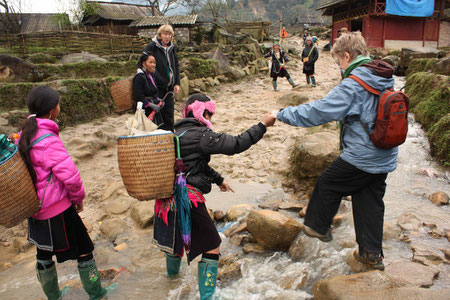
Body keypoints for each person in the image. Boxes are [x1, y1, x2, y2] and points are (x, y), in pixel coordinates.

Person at [272, 31, 398, 271]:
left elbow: (318, 112)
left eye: (339, 61)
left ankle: (317, 225)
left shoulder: (355, 83)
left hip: (363, 155)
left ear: (347, 56)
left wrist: (281, 114)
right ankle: (371, 255)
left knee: (328, 183)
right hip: (386, 155)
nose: (339, 66)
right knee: (369, 201)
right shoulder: (383, 77)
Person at [153, 93, 275, 299]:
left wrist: (218, 180)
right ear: (203, 112)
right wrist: (262, 125)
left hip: (165, 201)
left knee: (174, 246)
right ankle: (208, 296)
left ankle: (171, 283)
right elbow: (236, 144)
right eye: (210, 114)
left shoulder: (175, 132)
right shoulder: (201, 135)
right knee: (212, 245)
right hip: (188, 200)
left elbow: (193, 164)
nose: (211, 119)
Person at [17, 86, 116, 299]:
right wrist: (77, 199)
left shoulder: (24, 135)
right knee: (84, 250)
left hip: (35, 209)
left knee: (43, 254)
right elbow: (70, 175)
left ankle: (54, 296)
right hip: (57, 209)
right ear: (52, 111)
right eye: (58, 104)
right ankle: (97, 294)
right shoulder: (48, 139)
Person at [144, 24, 180, 131]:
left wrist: (177, 83)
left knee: (169, 114)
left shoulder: (171, 48)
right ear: (160, 35)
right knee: (158, 113)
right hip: (157, 87)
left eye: (169, 34)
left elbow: (176, 65)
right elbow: (144, 63)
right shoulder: (152, 47)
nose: (167, 37)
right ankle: (159, 138)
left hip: (169, 88)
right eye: (165, 34)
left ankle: (170, 137)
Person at [132, 51, 164, 125]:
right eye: (150, 62)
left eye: (154, 63)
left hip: (153, 110)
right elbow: (138, 96)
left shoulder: (151, 76)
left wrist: (159, 100)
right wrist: (150, 105)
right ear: (144, 63)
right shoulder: (139, 77)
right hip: (144, 111)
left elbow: (153, 91)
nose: (153, 65)